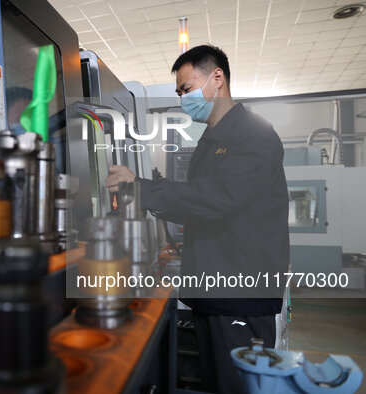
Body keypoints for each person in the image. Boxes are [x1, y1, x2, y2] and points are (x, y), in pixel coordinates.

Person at [106, 45, 289, 393]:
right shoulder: (211, 141)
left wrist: (142, 188)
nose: (182, 99)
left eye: (187, 89)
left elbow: (219, 198)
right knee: (216, 383)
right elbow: (196, 203)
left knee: (236, 386)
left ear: (216, 78)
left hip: (240, 294)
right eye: (178, 93)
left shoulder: (255, 134)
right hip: (212, 289)